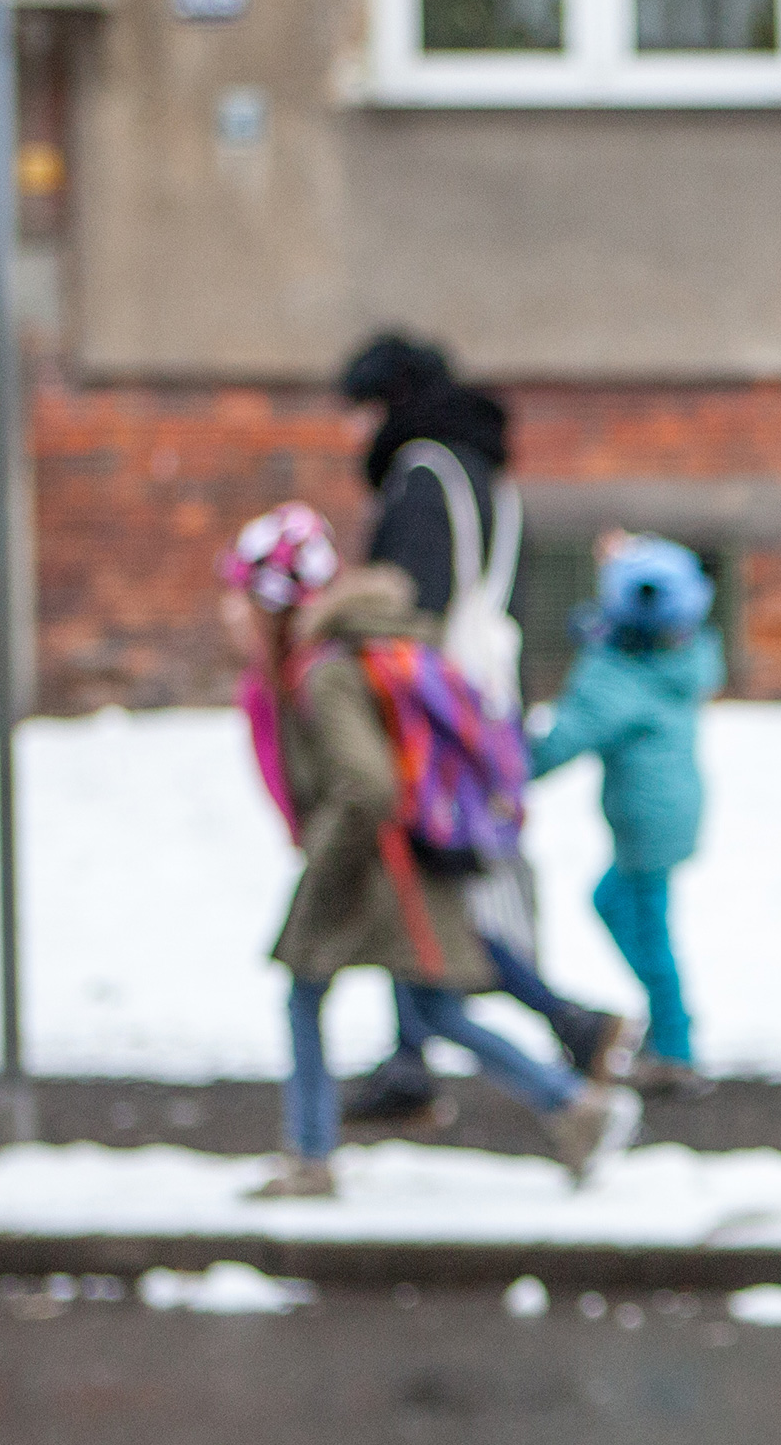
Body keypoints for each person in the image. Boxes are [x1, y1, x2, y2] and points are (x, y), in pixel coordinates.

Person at [219, 505, 639, 1199]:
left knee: (308, 994)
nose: (229, 613)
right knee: (434, 1009)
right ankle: (572, 1107)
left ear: (275, 604)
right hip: (402, 866)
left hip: (372, 872)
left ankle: (312, 1155)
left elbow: (367, 785)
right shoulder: (347, 653)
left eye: (241, 597)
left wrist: (325, 860)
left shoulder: (324, 672)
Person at [329, 330, 635, 1138]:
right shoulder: (487, 479)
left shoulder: (423, 477)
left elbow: (408, 610)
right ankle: (416, 1056)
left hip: (430, 715)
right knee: (436, 879)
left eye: (358, 410)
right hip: (481, 702)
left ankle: (566, 1026)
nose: (350, 432)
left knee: (430, 876)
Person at [523, 533, 724, 1103]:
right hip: (671, 809)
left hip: (645, 820)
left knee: (647, 927)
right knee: (618, 905)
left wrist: (505, 769)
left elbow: (563, 739)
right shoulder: (682, 657)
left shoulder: (619, 678)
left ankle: (675, 1047)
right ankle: (669, 1029)